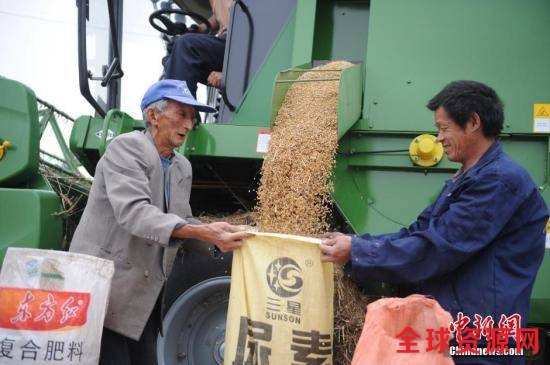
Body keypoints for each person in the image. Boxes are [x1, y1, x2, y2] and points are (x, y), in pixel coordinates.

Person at [320, 80, 548, 364]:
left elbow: (439, 248)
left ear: (473, 122)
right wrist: (357, 244)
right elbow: (419, 233)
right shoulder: (467, 177)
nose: (438, 138)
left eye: (444, 128)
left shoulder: (499, 181)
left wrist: (358, 252)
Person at [69, 79, 251, 365]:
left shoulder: (181, 166)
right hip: (106, 295)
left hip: (145, 302)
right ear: (153, 116)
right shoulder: (126, 149)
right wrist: (204, 231)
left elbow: (181, 220)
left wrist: (219, 239)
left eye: (193, 117)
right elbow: (135, 213)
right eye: (181, 114)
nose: (189, 124)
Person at [163, 0, 233, 97]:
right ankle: (184, 108)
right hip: (225, 44)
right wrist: (194, 29)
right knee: (172, 59)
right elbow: (217, 17)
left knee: (186, 44)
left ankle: (181, 107)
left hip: (239, 40)